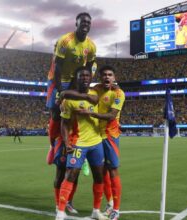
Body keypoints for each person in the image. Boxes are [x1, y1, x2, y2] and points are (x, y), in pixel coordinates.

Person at [46, 12, 96, 214]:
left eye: (88, 22)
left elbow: (90, 66)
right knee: (56, 112)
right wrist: (59, 90)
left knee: (76, 113)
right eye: (82, 21)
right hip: (59, 80)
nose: (85, 24)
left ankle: (77, 143)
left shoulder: (91, 46)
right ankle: (53, 146)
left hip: (76, 80)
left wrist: (85, 85)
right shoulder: (65, 41)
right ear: (76, 23)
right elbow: (57, 68)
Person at [55, 67, 106, 220]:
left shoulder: (95, 94)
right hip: (78, 143)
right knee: (71, 174)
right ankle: (61, 211)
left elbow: (95, 99)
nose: (84, 78)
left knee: (99, 177)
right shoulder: (68, 100)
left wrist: (64, 92)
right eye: (81, 76)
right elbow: (64, 123)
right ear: (76, 78)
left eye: (87, 75)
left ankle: (96, 210)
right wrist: (66, 142)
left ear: (91, 78)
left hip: (96, 142)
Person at [76, 65, 125, 220]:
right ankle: (110, 204)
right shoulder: (96, 88)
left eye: (110, 75)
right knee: (101, 173)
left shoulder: (118, 93)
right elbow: (83, 87)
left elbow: (111, 116)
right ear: (100, 77)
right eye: (104, 75)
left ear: (114, 77)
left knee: (113, 171)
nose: (107, 77)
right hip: (96, 135)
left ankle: (116, 209)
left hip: (110, 136)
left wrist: (91, 113)